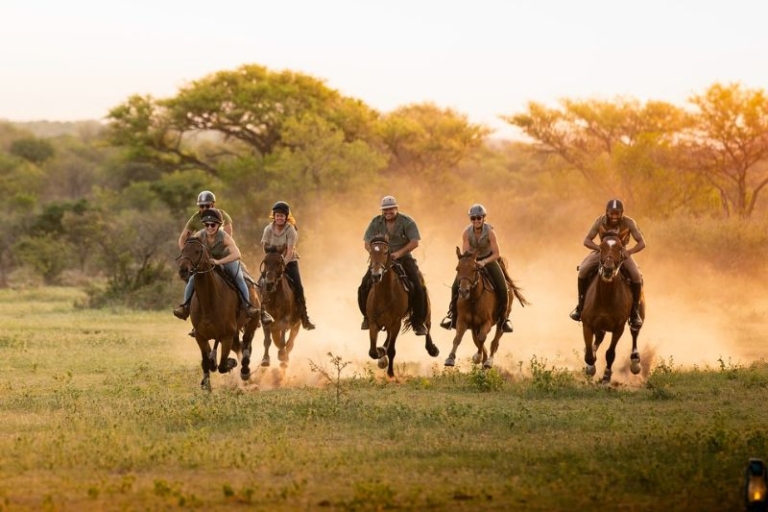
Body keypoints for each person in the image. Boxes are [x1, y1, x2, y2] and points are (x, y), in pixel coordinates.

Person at [173, 208, 267, 322]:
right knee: (193, 280)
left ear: (218, 225)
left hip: (226, 260)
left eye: (213, 225)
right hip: (208, 263)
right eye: (206, 225)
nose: (209, 227)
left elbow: (237, 254)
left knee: (239, 278)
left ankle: (248, 307)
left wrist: (218, 262)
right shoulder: (199, 235)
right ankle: (185, 307)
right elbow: (189, 245)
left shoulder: (225, 237)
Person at [358, 195, 429, 335]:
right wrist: (375, 254)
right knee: (363, 285)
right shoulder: (376, 222)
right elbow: (367, 242)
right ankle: (367, 317)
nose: (388, 212)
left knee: (418, 286)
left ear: (396, 208)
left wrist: (399, 253)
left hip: (403, 258)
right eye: (385, 209)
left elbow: (414, 242)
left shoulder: (407, 222)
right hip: (381, 260)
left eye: (390, 208)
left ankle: (418, 322)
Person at [569, 198, 645, 327]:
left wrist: (629, 252)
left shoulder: (629, 223)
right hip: (603, 251)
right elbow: (587, 240)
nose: (614, 216)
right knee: (583, 270)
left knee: (636, 275)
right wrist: (598, 248)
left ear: (622, 213)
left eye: (617, 213)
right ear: (607, 212)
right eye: (611, 213)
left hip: (622, 253)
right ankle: (580, 306)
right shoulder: (600, 221)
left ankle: (634, 313)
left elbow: (642, 243)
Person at [439, 204, 513, 333]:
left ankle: (504, 319)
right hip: (472, 262)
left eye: (479, 218)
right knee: (455, 286)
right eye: (473, 218)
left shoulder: (490, 232)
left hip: (489, 260)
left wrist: (484, 261)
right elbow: (466, 252)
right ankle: (452, 316)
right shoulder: (466, 233)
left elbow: (497, 254)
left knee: (503, 287)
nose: (476, 220)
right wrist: (470, 263)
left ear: (483, 218)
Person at [261, 201, 316, 330]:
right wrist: (270, 260)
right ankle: (260, 312)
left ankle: (304, 318)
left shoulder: (291, 230)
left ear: (286, 217)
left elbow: (290, 250)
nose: (279, 218)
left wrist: (283, 263)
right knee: (259, 284)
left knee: (299, 288)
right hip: (272, 263)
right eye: (277, 215)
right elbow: (265, 247)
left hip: (289, 261)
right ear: (273, 216)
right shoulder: (268, 229)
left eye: (282, 216)